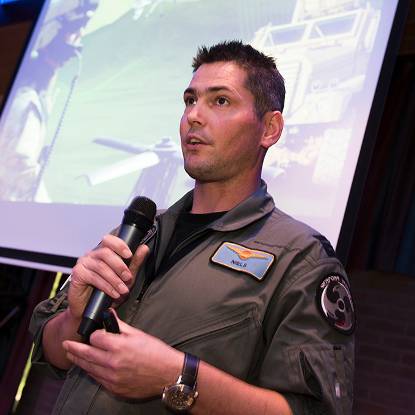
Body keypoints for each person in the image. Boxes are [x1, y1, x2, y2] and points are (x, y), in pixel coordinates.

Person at [30, 40, 355, 414]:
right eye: (189, 100)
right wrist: (74, 320)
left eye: (220, 101)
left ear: (269, 128)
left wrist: (178, 376)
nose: (193, 116)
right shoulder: (139, 230)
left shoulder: (300, 259)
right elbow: (52, 351)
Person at [0, 0, 98, 202]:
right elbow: (21, 167)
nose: (79, 37)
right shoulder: (26, 102)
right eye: (75, 29)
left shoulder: (36, 96)